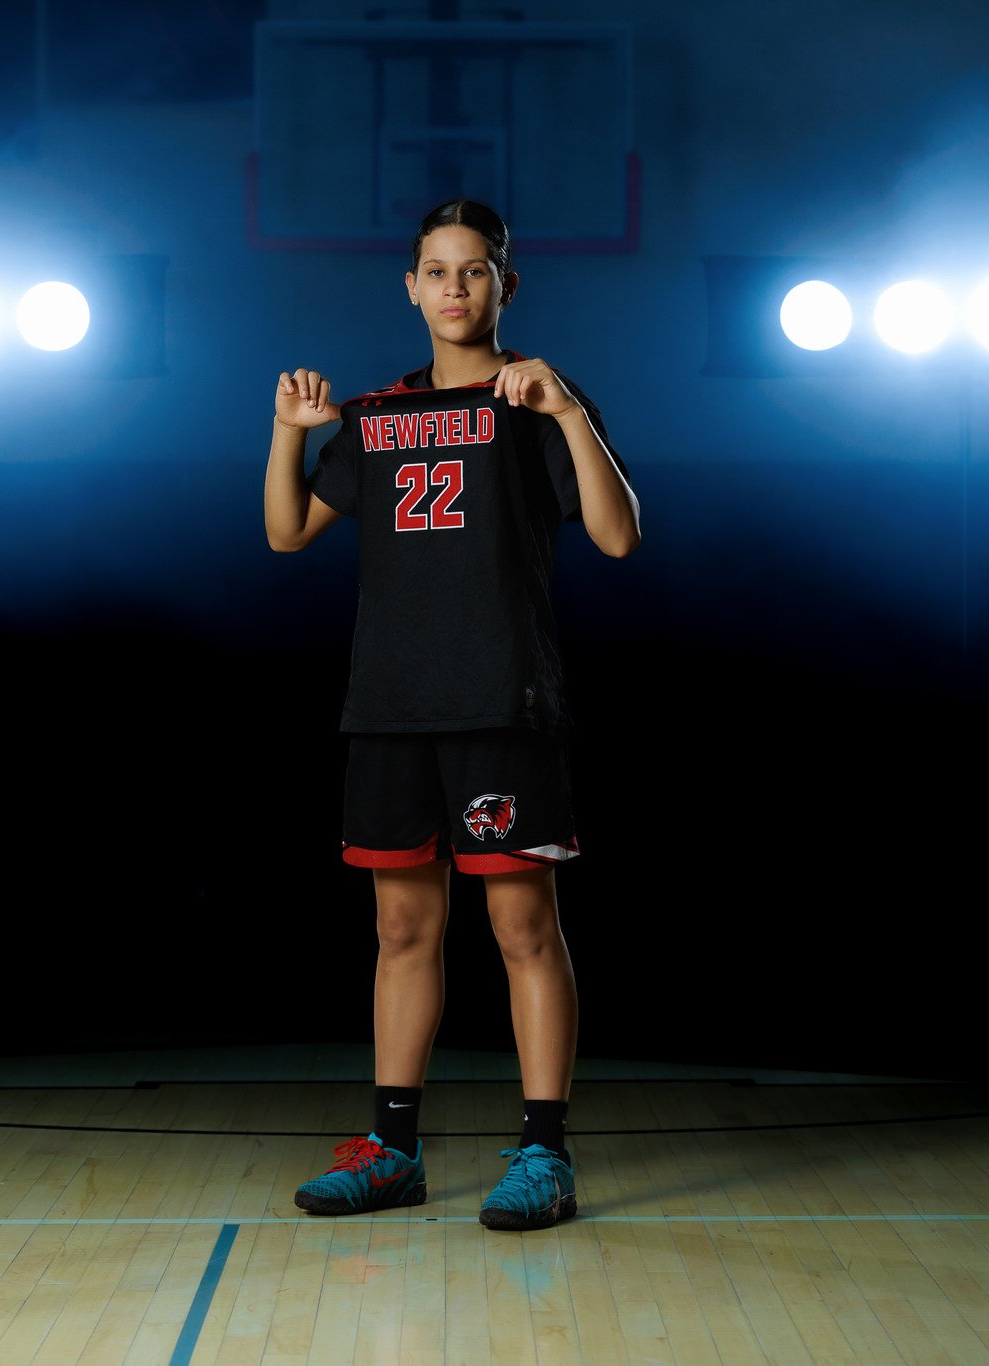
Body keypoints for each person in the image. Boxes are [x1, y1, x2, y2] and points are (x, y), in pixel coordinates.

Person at [262, 199, 640, 1231]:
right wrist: (287, 437)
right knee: (398, 927)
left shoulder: (536, 399)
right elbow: (287, 532)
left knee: (522, 924)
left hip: (500, 699)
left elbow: (616, 536)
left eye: (474, 271)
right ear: (411, 287)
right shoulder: (378, 416)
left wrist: (566, 412)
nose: (454, 288)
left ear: (503, 286)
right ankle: (391, 1148)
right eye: (436, 270)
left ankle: (544, 1153)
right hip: (388, 704)